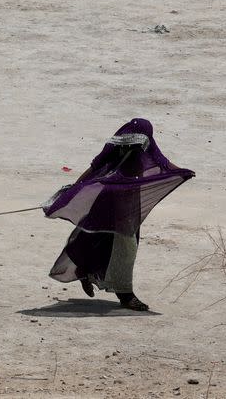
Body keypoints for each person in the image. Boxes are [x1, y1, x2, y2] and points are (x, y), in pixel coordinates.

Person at [44, 118, 194, 311]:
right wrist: (73, 189)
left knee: (99, 239)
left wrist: (183, 172)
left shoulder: (143, 146)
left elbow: (163, 163)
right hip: (111, 201)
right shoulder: (116, 148)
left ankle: (85, 272)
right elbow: (95, 168)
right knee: (123, 246)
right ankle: (126, 295)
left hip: (128, 202)